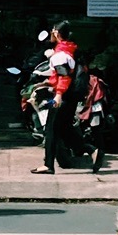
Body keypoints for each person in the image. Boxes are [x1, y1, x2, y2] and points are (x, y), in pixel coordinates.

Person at [32, 21, 82, 176]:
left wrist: (58, 95)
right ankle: (93, 151)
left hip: (63, 97)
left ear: (56, 33)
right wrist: (47, 82)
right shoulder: (69, 49)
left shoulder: (60, 54)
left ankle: (48, 165)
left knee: (51, 130)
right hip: (68, 96)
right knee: (63, 129)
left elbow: (63, 75)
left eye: (53, 30)